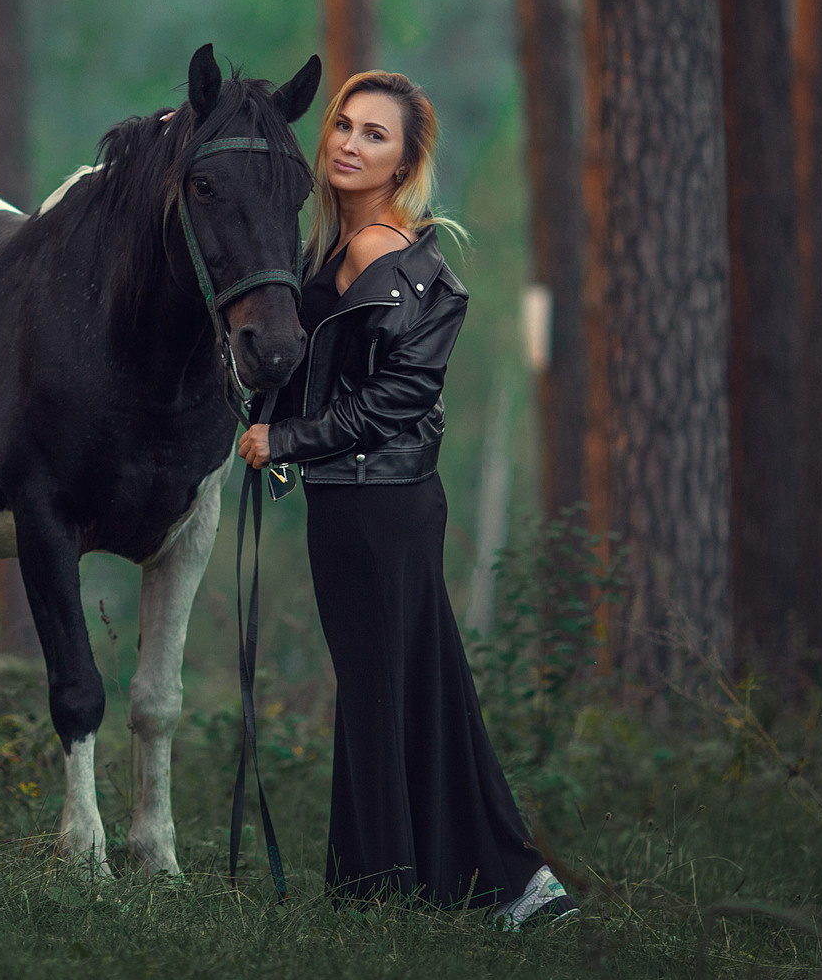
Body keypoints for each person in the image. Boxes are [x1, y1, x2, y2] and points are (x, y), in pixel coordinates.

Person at [237, 69, 574, 929]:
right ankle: (472, 883)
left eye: (374, 134)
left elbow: (397, 400)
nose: (348, 142)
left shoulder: (394, 257)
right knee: (409, 684)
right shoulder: (332, 246)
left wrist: (286, 442)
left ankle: (405, 890)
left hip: (378, 506)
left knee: (390, 690)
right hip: (360, 503)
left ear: (404, 161)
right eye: (343, 125)